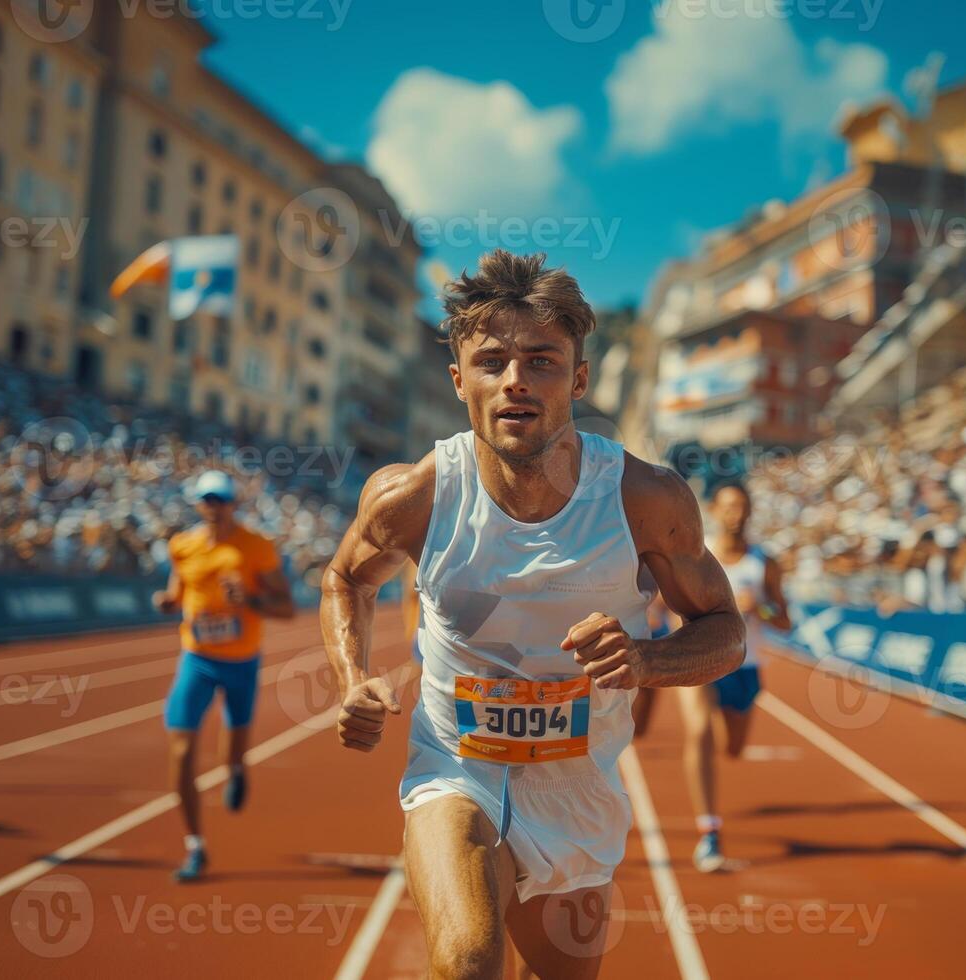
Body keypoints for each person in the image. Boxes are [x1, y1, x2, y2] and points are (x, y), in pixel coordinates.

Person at [319, 250, 744, 979]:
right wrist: (352, 676)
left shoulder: (645, 499)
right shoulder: (414, 495)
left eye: (541, 360)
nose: (515, 379)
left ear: (578, 379)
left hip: (577, 789)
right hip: (456, 766)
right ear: (460, 382)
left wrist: (644, 661)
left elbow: (725, 632)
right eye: (491, 361)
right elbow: (345, 579)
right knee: (467, 963)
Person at [635, 483, 792, 872]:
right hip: (702, 661)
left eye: (741, 506)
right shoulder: (696, 558)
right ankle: (710, 833)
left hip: (746, 666)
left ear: (751, 510)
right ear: (715, 512)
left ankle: (726, 739)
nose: (734, 514)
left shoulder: (764, 563)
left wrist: (764, 609)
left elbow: (785, 621)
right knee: (699, 730)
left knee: (733, 747)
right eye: (727, 507)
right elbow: (665, 603)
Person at [151, 470, 294, 882]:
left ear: (233, 503)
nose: (214, 507)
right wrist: (166, 602)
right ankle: (195, 845)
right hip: (196, 658)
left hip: (241, 662)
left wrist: (248, 599)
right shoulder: (182, 546)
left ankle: (235, 769)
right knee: (180, 752)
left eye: (221, 499)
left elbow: (285, 608)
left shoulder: (255, 547)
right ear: (197, 504)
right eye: (206, 499)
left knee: (230, 754)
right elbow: (177, 591)